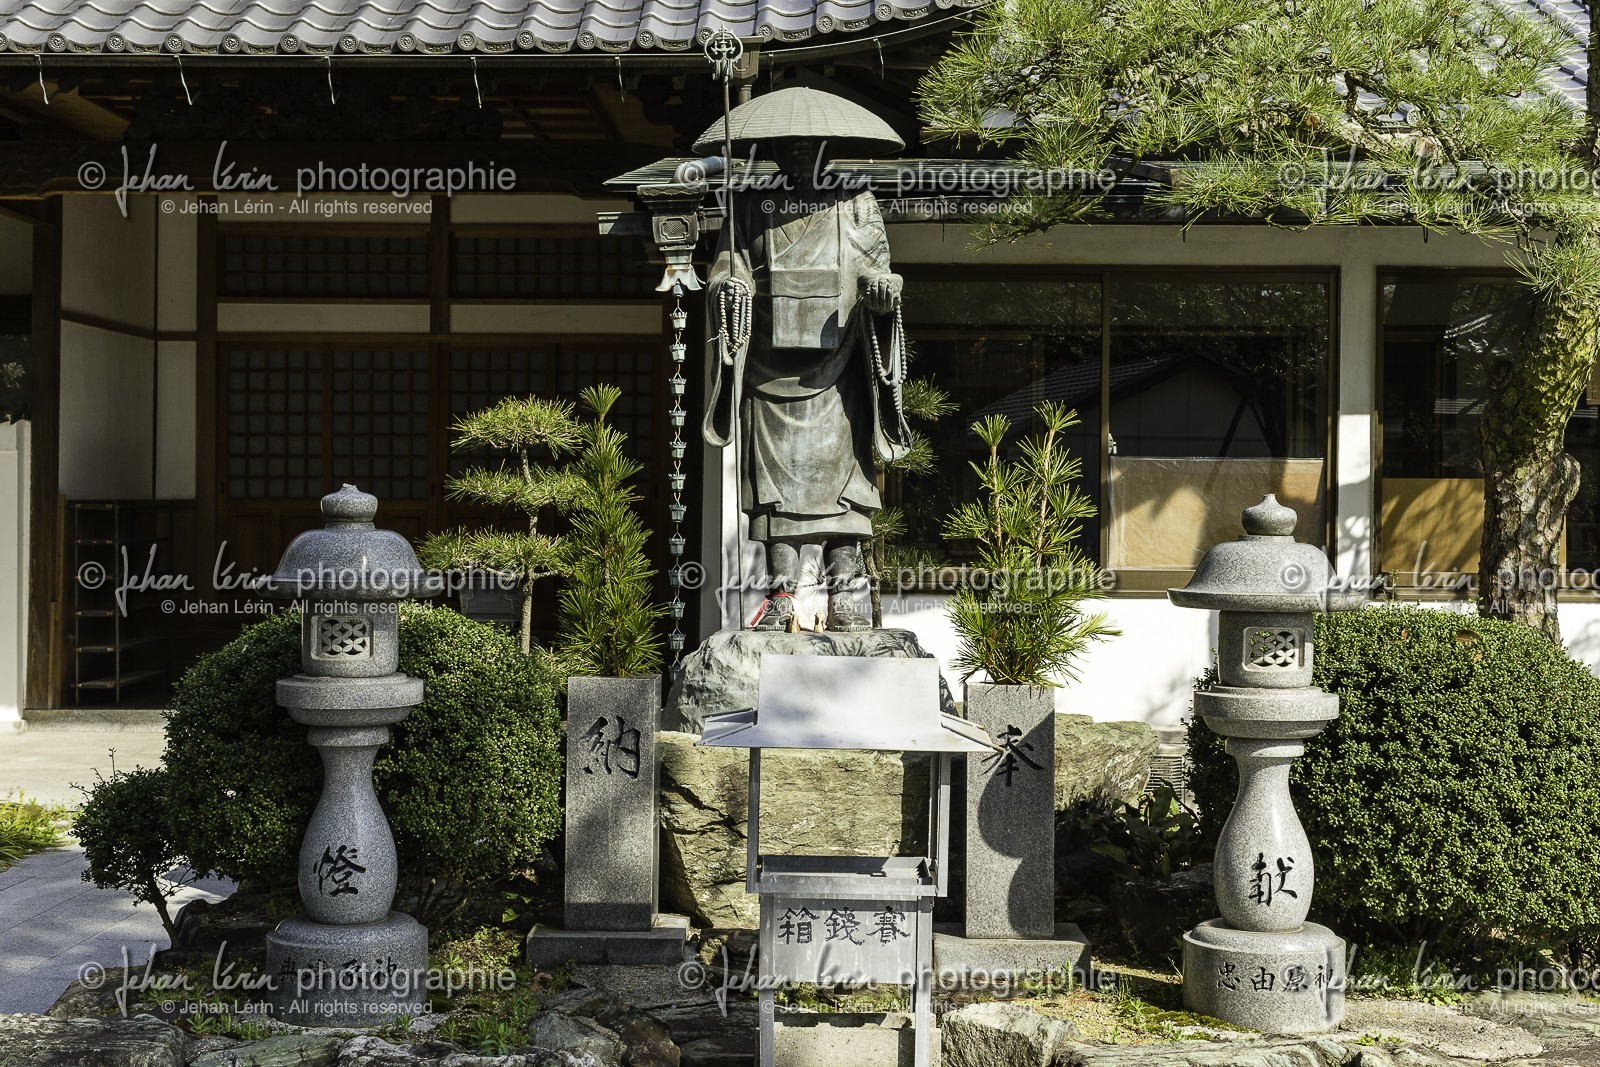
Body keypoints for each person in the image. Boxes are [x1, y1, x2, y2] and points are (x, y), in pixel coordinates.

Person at [703, 134, 911, 632]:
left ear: (828, 150)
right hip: (768, 365)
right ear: (775, 152)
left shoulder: (857, 203)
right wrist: (730, 287)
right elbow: (725, 270)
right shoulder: (749, 204)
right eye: (790, 148)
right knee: (776, 494)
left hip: (839, 364)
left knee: (844, 484)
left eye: (810, 147)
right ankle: (780, 595)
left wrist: (884, 295)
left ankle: (846, 593)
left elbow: (879, 274)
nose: (800, 155)